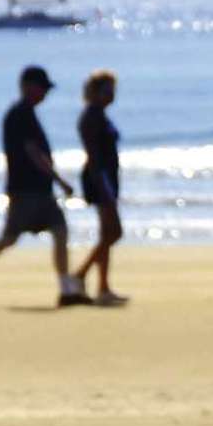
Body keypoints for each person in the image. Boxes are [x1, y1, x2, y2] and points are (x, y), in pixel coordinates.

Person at [0, 66, 85, 307]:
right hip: (26, 190)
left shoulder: (26, 113)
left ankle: (66, 289)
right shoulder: (20, 114)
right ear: (28, 86)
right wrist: (59, 180)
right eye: (42, 88)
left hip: (38, 190)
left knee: (59, 230)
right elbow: (33, 152)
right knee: (10, 238)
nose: (44, 93)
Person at [72, 70, 129, 305]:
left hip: (107, 177)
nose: (111, 95)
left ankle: (103, 286)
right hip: (99, 178)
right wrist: (104, 186)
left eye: (113, 90)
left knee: (107, 233)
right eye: (107, 90)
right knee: (114, 232)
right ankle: (81, 274)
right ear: (95, 92)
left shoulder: (100, 115)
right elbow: (94, 157)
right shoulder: (91, 117)